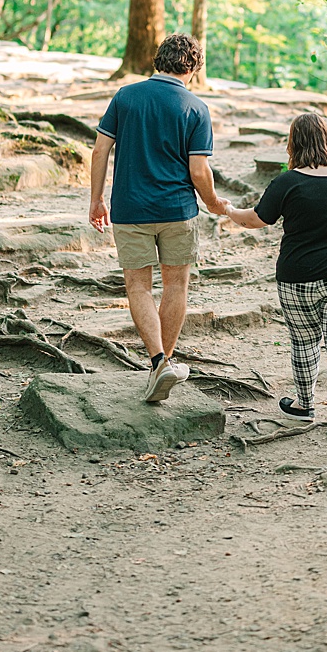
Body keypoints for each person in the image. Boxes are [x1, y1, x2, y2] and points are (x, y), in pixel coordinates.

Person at [89, 33, 230, 403]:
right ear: (194, 68)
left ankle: (157, 363)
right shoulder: (196, 108)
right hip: (177, 211)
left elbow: (100, 151)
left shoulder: (125, 97)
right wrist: (214, 202)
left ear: (157, 60)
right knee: (176, 286)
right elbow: (199, 171)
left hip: (130, 210)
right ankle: (164, 362)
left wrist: (96, 200)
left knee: (137, 286)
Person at [224, 112, 327, 450]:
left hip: (299, 278)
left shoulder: (287, 182)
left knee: (304, 342)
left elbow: (256, 220)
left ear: (293, 144)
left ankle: (305, 405)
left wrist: (230, 211)